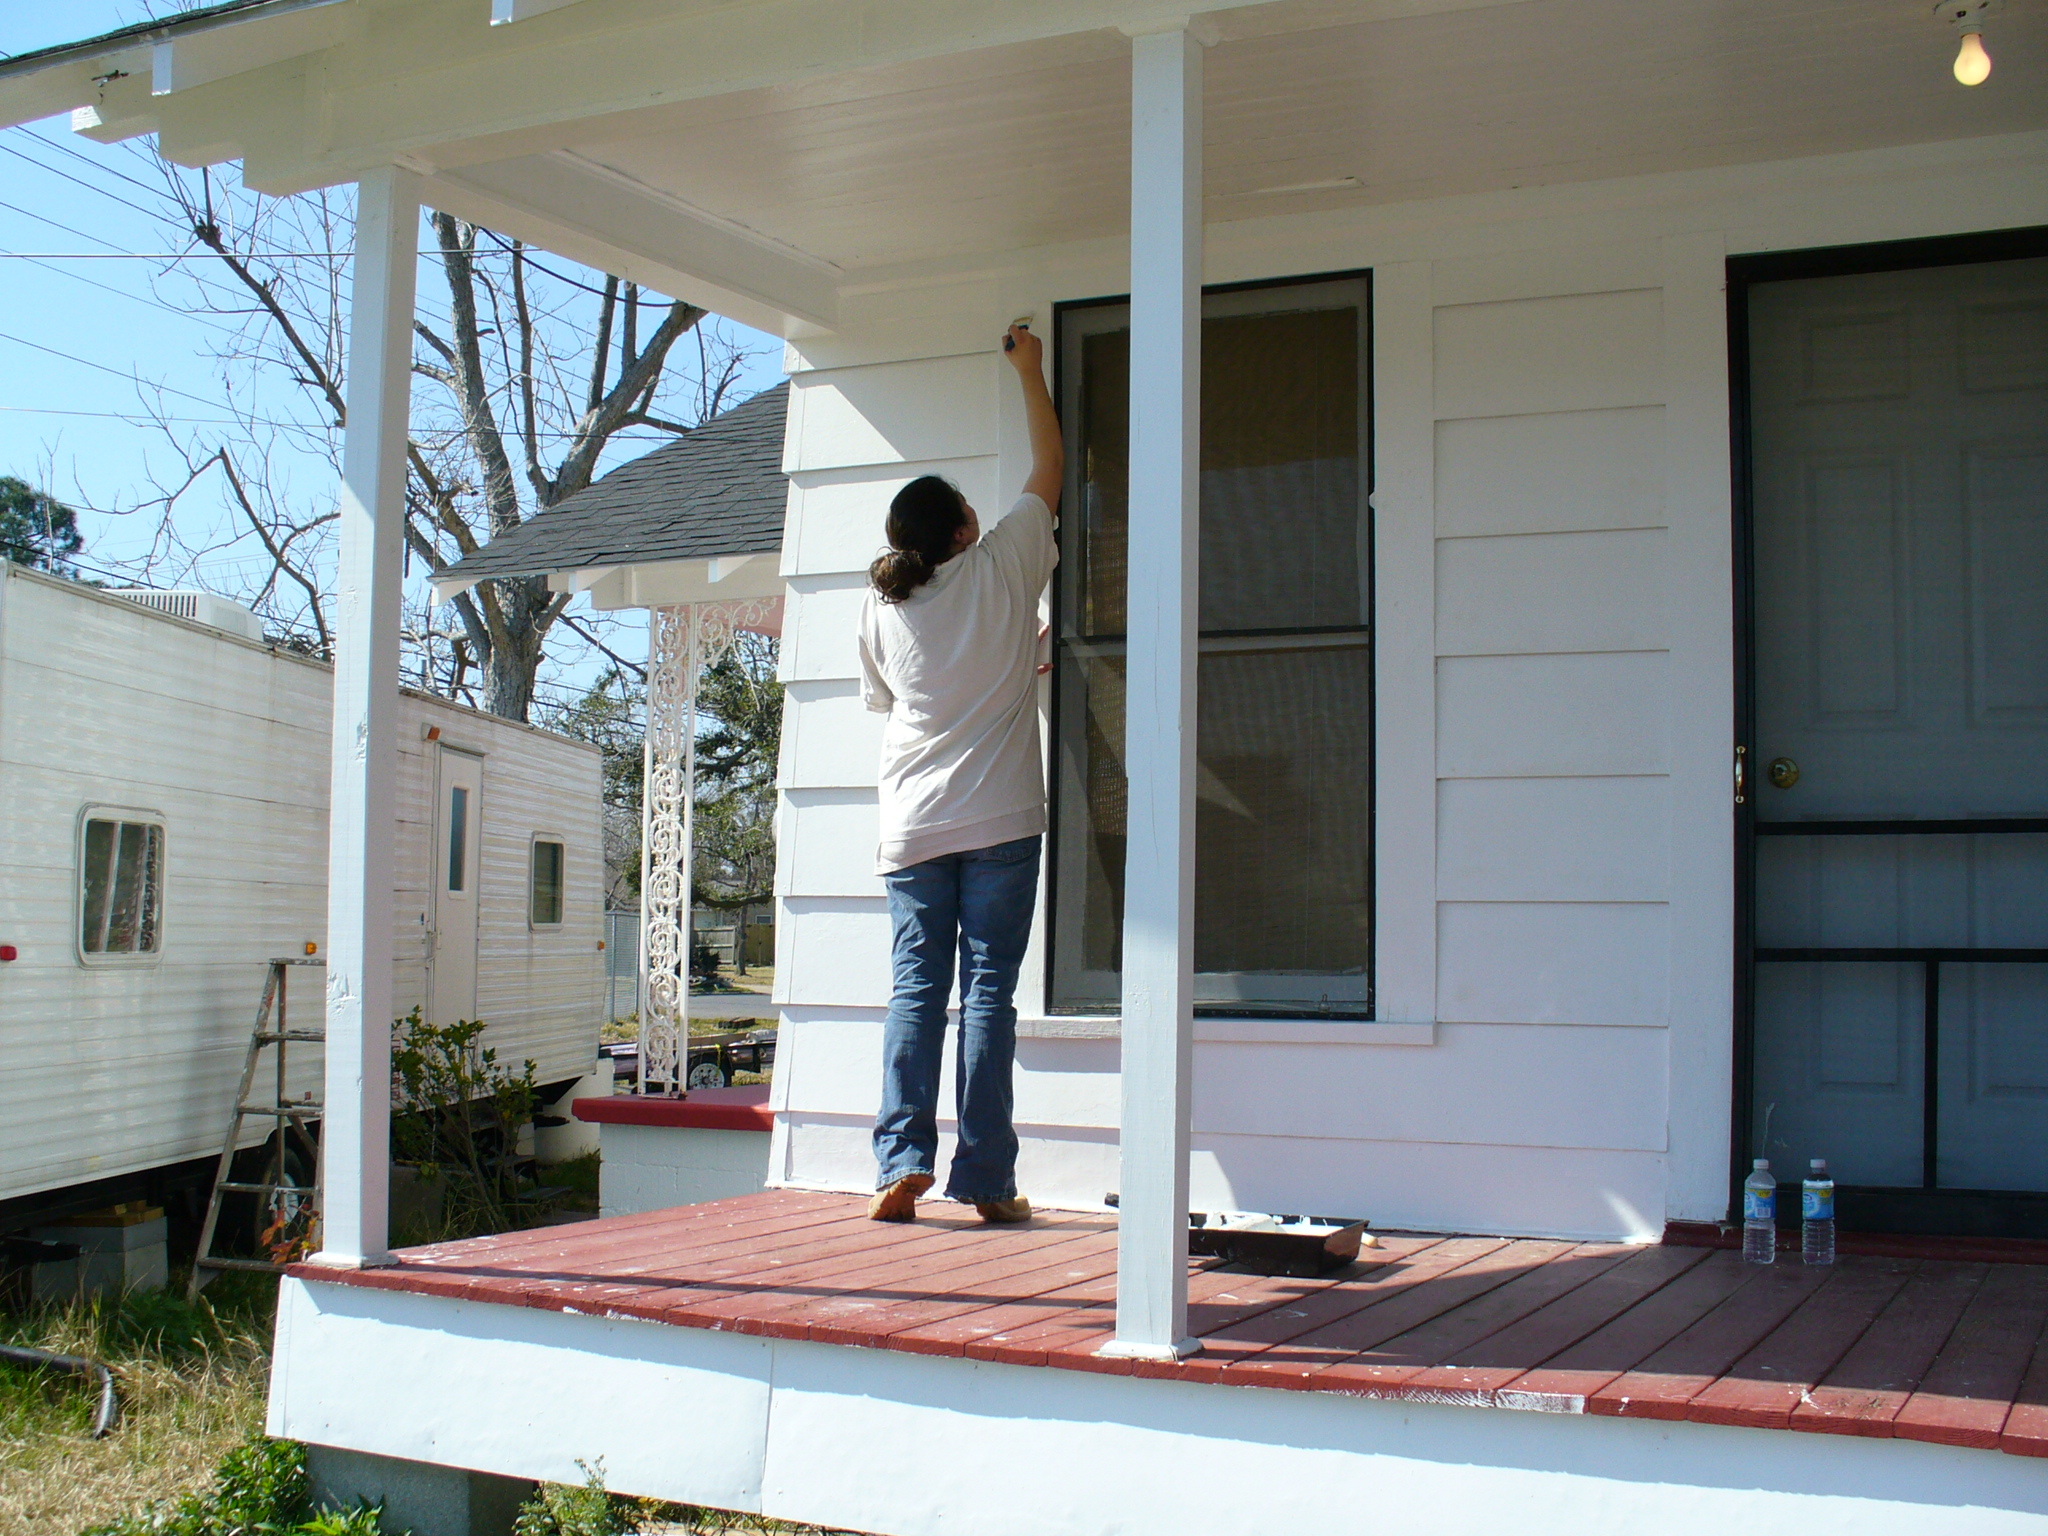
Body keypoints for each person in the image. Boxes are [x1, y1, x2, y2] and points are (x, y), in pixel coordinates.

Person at [857, 322, 1063, 1224]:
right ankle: (985, 1180)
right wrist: (1032, 369)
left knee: (916, 989)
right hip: (1002, 819)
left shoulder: (882, 606)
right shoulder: (1007, 561)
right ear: (965, 528)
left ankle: (899, 1164)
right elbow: (1050, 466)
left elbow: (886, 702)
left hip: (913, 823)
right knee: (987, 995)